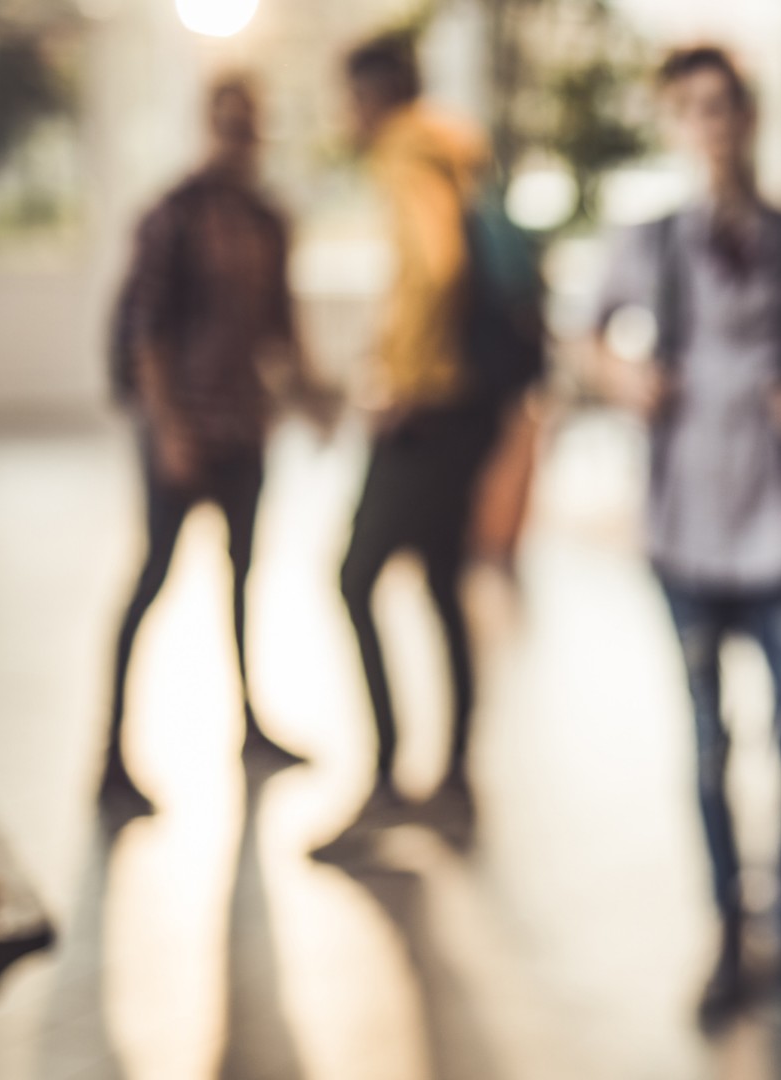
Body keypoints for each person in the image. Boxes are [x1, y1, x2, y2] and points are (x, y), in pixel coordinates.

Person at [590, 47, 781, 1026]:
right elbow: (586, 336)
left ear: (747, 118)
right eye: (690, 110)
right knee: (708, 748)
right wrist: (624, 379)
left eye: (723, 106)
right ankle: (729, 939)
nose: (709, 124)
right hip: (684, 536)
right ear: (677, 126)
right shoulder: (651, 245)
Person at [101, 75, 332, 815]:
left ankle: (250, 726)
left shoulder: (268, 219)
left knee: (243, 579)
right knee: (153, 581)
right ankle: (110, 755)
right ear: (209, 126)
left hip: (244, 430)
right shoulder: (172, 215)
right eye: (229, 125)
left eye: (250, 127)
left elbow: (281, 325)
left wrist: (311, 390)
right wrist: (168, 428)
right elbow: (147, 331)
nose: (240, 140)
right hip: (183, 432)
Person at [321, 34, 500, 854]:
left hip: (427, 409)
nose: (344, 113)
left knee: (355, 579)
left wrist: (399, 382)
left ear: (376, 94)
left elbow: (436, 267)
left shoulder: (404, 152)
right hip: (469, 410)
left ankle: (390, 779)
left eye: (350, 96)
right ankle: (456, 780)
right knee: (436, 582)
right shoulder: (456, 149)